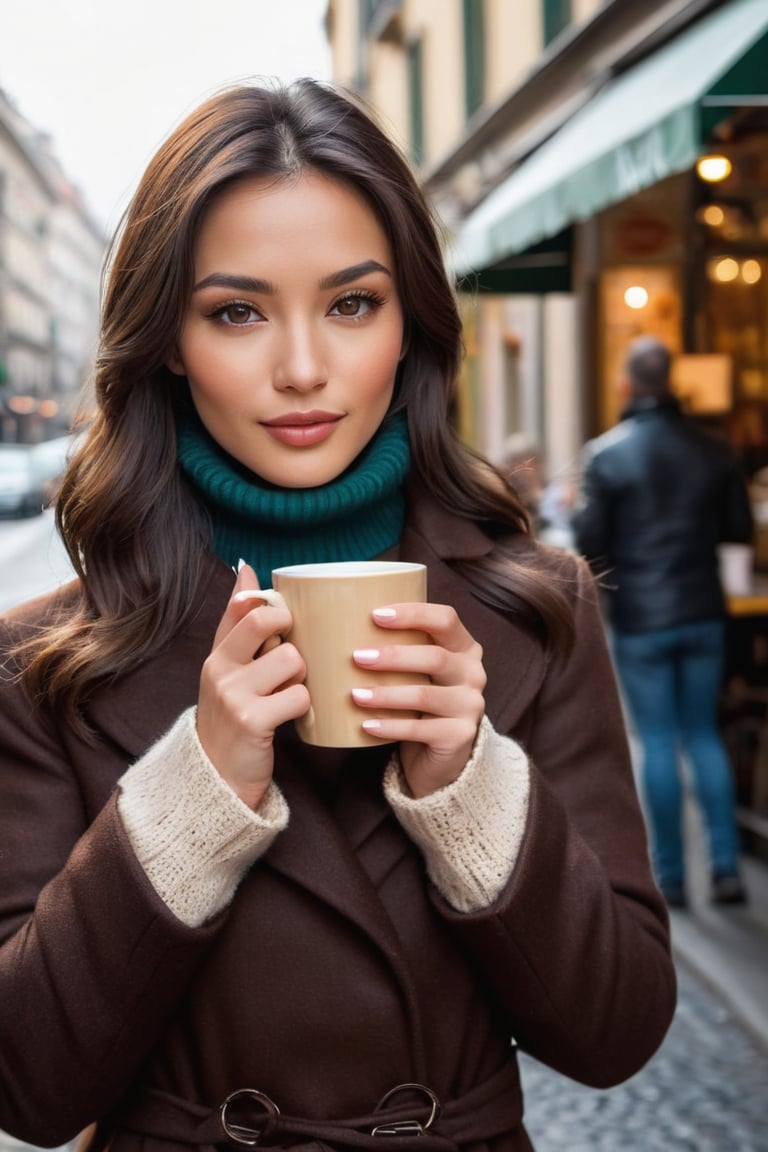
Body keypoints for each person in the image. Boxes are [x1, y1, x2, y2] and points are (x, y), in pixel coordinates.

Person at [0, 81, 675, 1152]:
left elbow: (619, 1030)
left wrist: (471, 788)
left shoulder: (537, 609)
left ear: (409, 319)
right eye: (238, 312)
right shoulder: (46, 663)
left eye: (353, 303)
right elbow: (27, 1087)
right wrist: (194, 795)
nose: (304, 368)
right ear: (168, 339)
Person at [571, 336, 753, 910]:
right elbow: (739, 528)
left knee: (657, 741)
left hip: (643, 617)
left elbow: (588, 540)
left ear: (627, 384)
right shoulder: (714, 448)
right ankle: (726, 872)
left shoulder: (606, 454)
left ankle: (671, 878)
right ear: (671, 381)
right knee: (703, 735)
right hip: (703, 610)